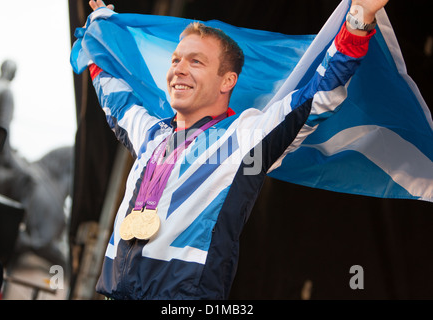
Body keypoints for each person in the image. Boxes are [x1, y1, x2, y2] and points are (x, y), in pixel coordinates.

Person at [81, 0, 389, 299]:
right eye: (176, 59)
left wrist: (358, 20)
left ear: (227, 81)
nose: (179, 69)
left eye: (196, 61)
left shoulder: (244, 138)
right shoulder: (152, 135)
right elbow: (115, 97)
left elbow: (316, 97)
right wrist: (99, 37)